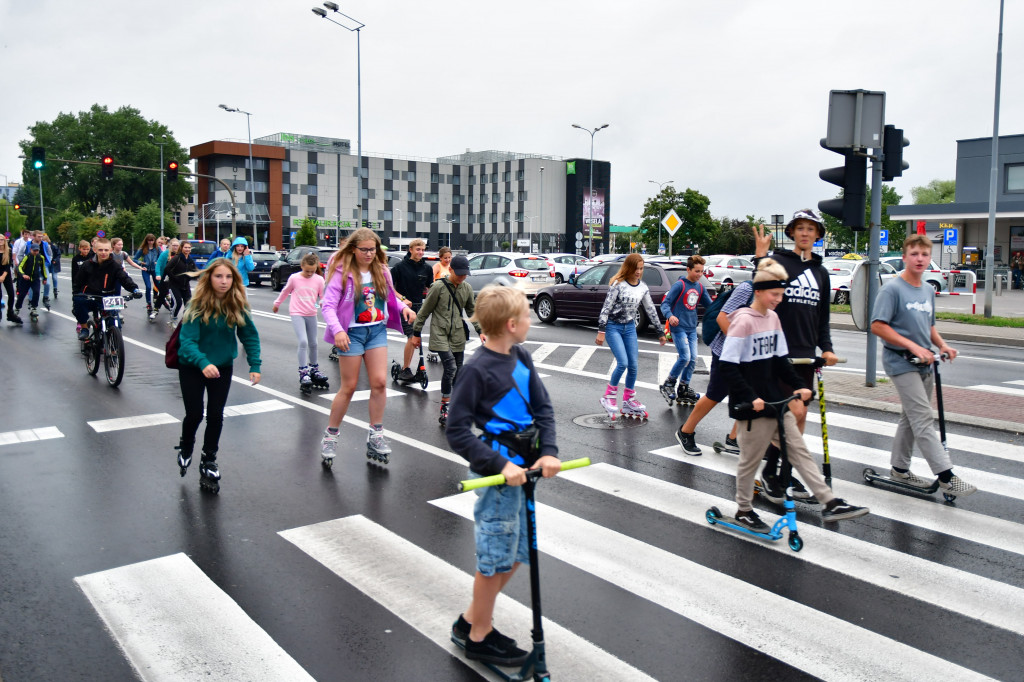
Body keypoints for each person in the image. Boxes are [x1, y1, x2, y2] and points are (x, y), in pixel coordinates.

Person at [445, 285, 561, 667]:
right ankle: (478, 636)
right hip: (498, 478)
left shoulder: (520, 354)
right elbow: (457, 431)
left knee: (516, 554)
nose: (531, 321)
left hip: (525, 472)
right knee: (494, 559)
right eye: (527, 317)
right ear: (511, 324)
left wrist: (549, 452)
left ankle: (469, 621)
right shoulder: (476, 369)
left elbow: (543, 407)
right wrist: (501, 466)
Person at [720, 258, 869, 529]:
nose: (779, 299)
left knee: (799, 451)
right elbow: (728, 367)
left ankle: (829, 502)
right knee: (749, 463)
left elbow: (780, 360)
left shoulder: (773, 318)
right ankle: (743, 510)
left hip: (776, 401)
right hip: (751, 406)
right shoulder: (743, 322)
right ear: (759, 292)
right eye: (775, 294)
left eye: (781, 294)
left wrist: (799, 386)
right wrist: (750, 396)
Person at [870, 234, 976, 497]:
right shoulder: (892, 289)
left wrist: (942, 345)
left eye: (924, 255)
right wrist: (912, 346)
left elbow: (929, 326)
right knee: (922, 418)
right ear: (904, 257)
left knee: (911, 416)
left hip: (925, 362)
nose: (919, 259)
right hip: (900, 361)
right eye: (914, 254)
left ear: (930, 258)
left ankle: (899, 469)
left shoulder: (928, 289)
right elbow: (877, 326)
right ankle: (947, 477)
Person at [752, 211, 838, 502]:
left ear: (817, 235)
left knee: (797, 423)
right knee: (793, 414)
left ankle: (780, 473)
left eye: (810, 229)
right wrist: (759, 257)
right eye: (800, 228)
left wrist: (826, 349)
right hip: (778, 353)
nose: (805, 233)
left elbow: (822, 318)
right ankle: (773, 474)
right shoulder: (779, 262)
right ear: (791, 233)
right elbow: (760, 292)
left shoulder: (821, 272)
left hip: (805, 356)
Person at [319, 228, 416, 465]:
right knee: (349, 387)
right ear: (353, 249)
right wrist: (338, 330)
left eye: (373, 249)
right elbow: (328, 306)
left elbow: (390, 295)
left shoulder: (381, 270)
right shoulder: (342, 272)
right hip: (351, 334)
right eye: (365, 250)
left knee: (380, 383)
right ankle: (330, 436)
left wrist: (403, 307)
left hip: (376, 331)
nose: (370, 254)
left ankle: (376, 434)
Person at [175, 259, 261, 493]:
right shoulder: (196, 306)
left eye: (228, 277)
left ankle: (209, 459)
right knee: (194, 415)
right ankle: (186, 446)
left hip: (221, 367)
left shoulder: (237, 305)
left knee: (215, 415)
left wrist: (255, 365)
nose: (224, 282)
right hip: (193, 366)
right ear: (209, 278)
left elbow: (249, 336)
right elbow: (187, 343)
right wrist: (203, 362)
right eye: (218, 276)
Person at [675, 278, 755, 456]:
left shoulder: (773, 294)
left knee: (751, 393)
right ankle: (685, 431)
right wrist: (738, 344)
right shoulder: (746, 288)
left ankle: (734, 439)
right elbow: (722, 317)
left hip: (748, 354)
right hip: (726, 351)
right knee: (716, 393)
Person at [595, 253, 667, 419]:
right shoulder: (618, 285)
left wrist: (660, 332)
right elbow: (606, 307)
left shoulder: (643, 287)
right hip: (613, 327)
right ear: (628, 268)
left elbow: (650, 310)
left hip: (629, 328)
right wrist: (601, 330)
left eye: (641, 269)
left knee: (633, 365)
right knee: (623, 363)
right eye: (636, 269)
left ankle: (628, 401)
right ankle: (608, 397)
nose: (639, 272)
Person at [412, 254, 481, 425]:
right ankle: (444, 407)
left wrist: (481, 331)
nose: (462, 277)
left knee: (458, 370)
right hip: (440, 333)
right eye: (459, 274)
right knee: (450, 367)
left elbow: (472, 312)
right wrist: (416, 333)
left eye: (465, 274)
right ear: (450, 270)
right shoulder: (438, 287)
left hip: (458, 334)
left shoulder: (466, 288)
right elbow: (424, 311)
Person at [659, 255, 712, 404]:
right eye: (697, 271)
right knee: (685, 357)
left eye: (702, 271)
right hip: (678, 328)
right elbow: (665, 304)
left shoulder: (700, 287)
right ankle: (668, 384)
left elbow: (710, 306)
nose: (700, 274)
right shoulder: (680, 285)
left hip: (691, 328)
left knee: (693, 359)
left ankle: (683, 388)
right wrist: (670, 316)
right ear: (688, 269)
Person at [273, 251, 327, 392]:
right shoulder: (295, 278)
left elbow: (323, 296)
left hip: (311, 313)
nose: (310, 274)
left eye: (312, 271)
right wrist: (277, 303)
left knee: (314, 342)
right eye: (307, 271)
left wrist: (321, 303)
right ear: (302, 266)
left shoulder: (319, 280)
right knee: (303, 341)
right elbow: (285, 291)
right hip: (297, 313)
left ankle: (314, 368)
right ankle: (303, 371)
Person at [71, 238, 141, 340]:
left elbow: (124, 278)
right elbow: (78, 282)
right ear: (94, 250)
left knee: (115, 323)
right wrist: (76, 293)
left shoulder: (114, 266)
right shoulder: (87, 265)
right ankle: (84, 328)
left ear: (110, 250)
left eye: (106, 250)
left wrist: (134, 289)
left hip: (108, 297)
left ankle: (114, 349)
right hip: (91, 296)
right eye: (100, 250)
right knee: (78, 303)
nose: (103, 253)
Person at [390, 239, 434, 381]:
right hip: (404, 308)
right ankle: (405, 369)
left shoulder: (427, 268)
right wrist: (402, 299)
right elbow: (389, 289)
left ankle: (412, 367)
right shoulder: (399, 267)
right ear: (410, 250)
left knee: (416, 338)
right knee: (411, 336)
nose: (421, 252)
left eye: (422, 249)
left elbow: (430, 288)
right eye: (418, 249)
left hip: (418, 307)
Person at [164, 240, 199, 326]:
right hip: (174, 285)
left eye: (189, 248)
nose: (187, 249)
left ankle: (185, 320)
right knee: (178, 303)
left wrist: (199, 277)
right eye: (185, 247)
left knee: (188, 304)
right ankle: (173, 319)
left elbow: (195, 271)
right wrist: (175, 278)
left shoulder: (190, 260)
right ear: (182, 248)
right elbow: (167, 269)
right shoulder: (177, 258)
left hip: (185, 286)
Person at [14, 240, 48, 319]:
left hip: (35, 279)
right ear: (30, 250)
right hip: (26, 279)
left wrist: (45, 278)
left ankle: (34, 308)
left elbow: (43, 268)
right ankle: (17, 308)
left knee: (36, 292)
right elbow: (19, 267)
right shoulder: (27, 257)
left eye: (37, 250)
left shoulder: (41, 257)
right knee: (22, 294)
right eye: (34, 250)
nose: (36, 252)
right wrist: (23, 275)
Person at [151, 238, 180, 320]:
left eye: (177, 246)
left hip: (175, 277)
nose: (175, 247)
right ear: (170, 245)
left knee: (175, 294)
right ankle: (156, 309)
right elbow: (158, 264)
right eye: (173, 245)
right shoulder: (165, 254)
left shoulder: (180, 254)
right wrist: (158, 274)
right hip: (165, 276)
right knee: (162, 293)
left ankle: (173, 309)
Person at [134, 234, 160, 314]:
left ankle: (157, 298)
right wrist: (140, 262)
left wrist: (158, 262)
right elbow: (134, 259)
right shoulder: (143, 249)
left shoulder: (157, 248)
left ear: (154, 241)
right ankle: (148, 303)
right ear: (146, 241)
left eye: (152, 240)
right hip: (145, 269)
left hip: (154, 269)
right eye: (149, 240)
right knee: (148, 287)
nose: (151, 242)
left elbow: (162, 256)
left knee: (158, 285)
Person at [0, 235, 21, 324]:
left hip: (6, 274)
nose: (0, 241)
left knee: (11, 295)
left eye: (1, 240)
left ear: (4, 241)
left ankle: (10, 313)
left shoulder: (8, 251)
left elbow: (9, 265)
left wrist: (3, 276)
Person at [42, 234, 60, 302]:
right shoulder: (42, 247)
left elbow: (58, 254)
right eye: (43, 240)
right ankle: (46, 293)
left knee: (54, 277)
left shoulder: (53, 246)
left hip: (53, 263)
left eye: (45, 240)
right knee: (46, 278)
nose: (44, 242)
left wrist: (55, 260)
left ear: (47, 240)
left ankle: (55, 289)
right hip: (46, 264)